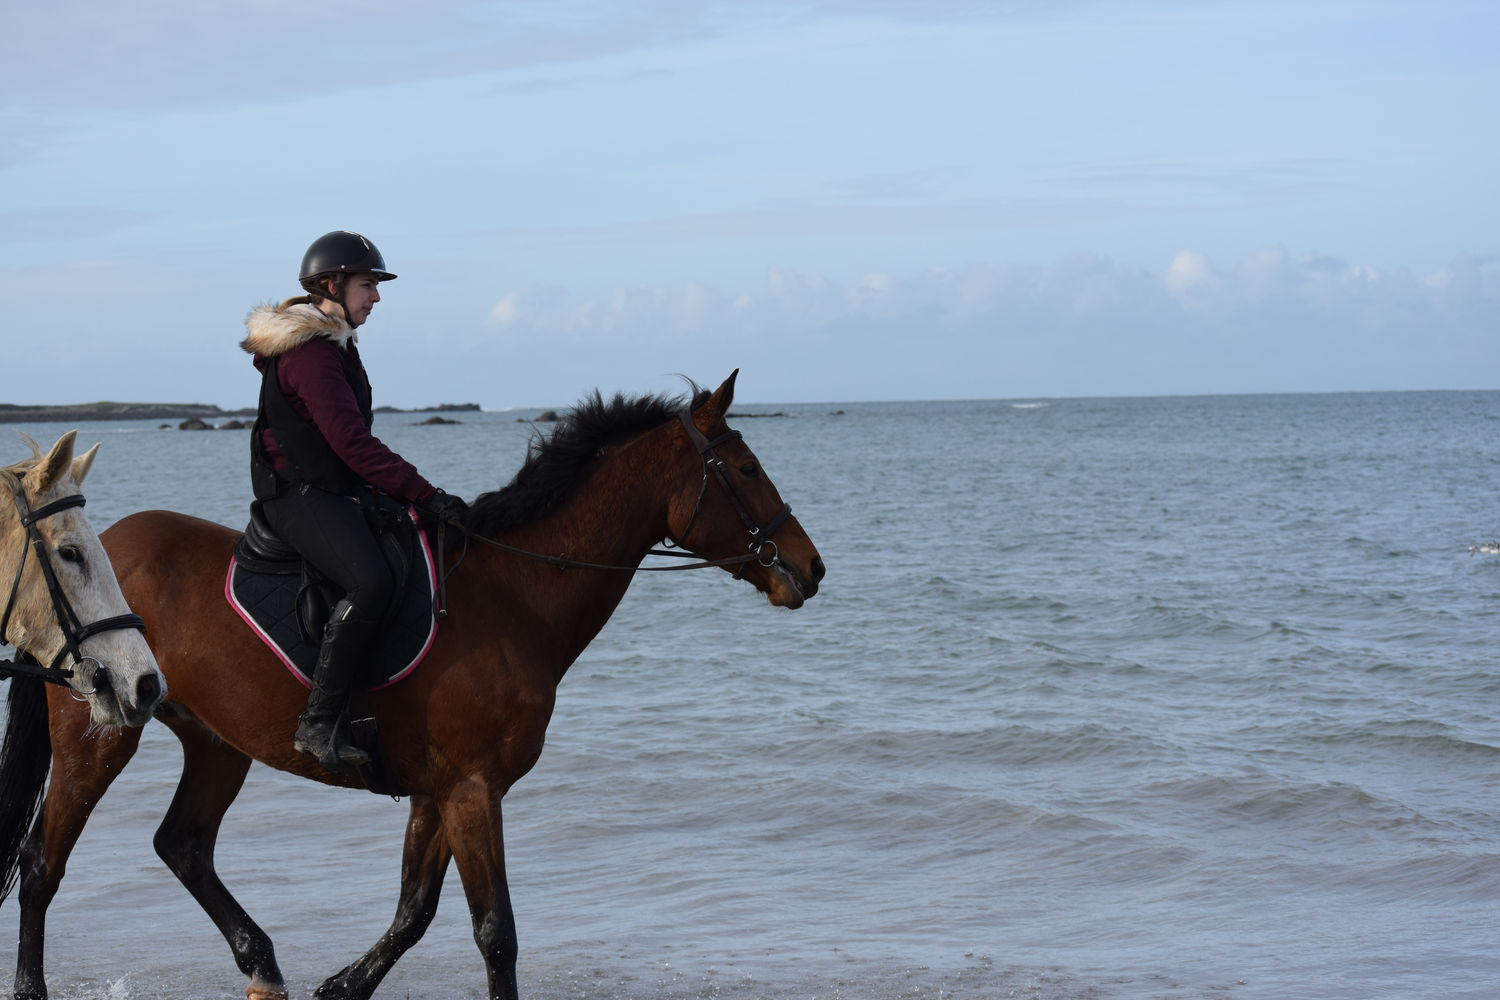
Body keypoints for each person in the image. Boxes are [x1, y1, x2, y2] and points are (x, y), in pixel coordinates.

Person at [240, 230, 468, 771]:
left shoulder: (336, 343)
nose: (377, 297)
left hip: (333, 489)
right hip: (300, 495)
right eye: (368, 285)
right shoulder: (313, 354)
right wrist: (425, 493)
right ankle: (318, 723)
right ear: (331, 285)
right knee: (371, 582)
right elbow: (353, 443)